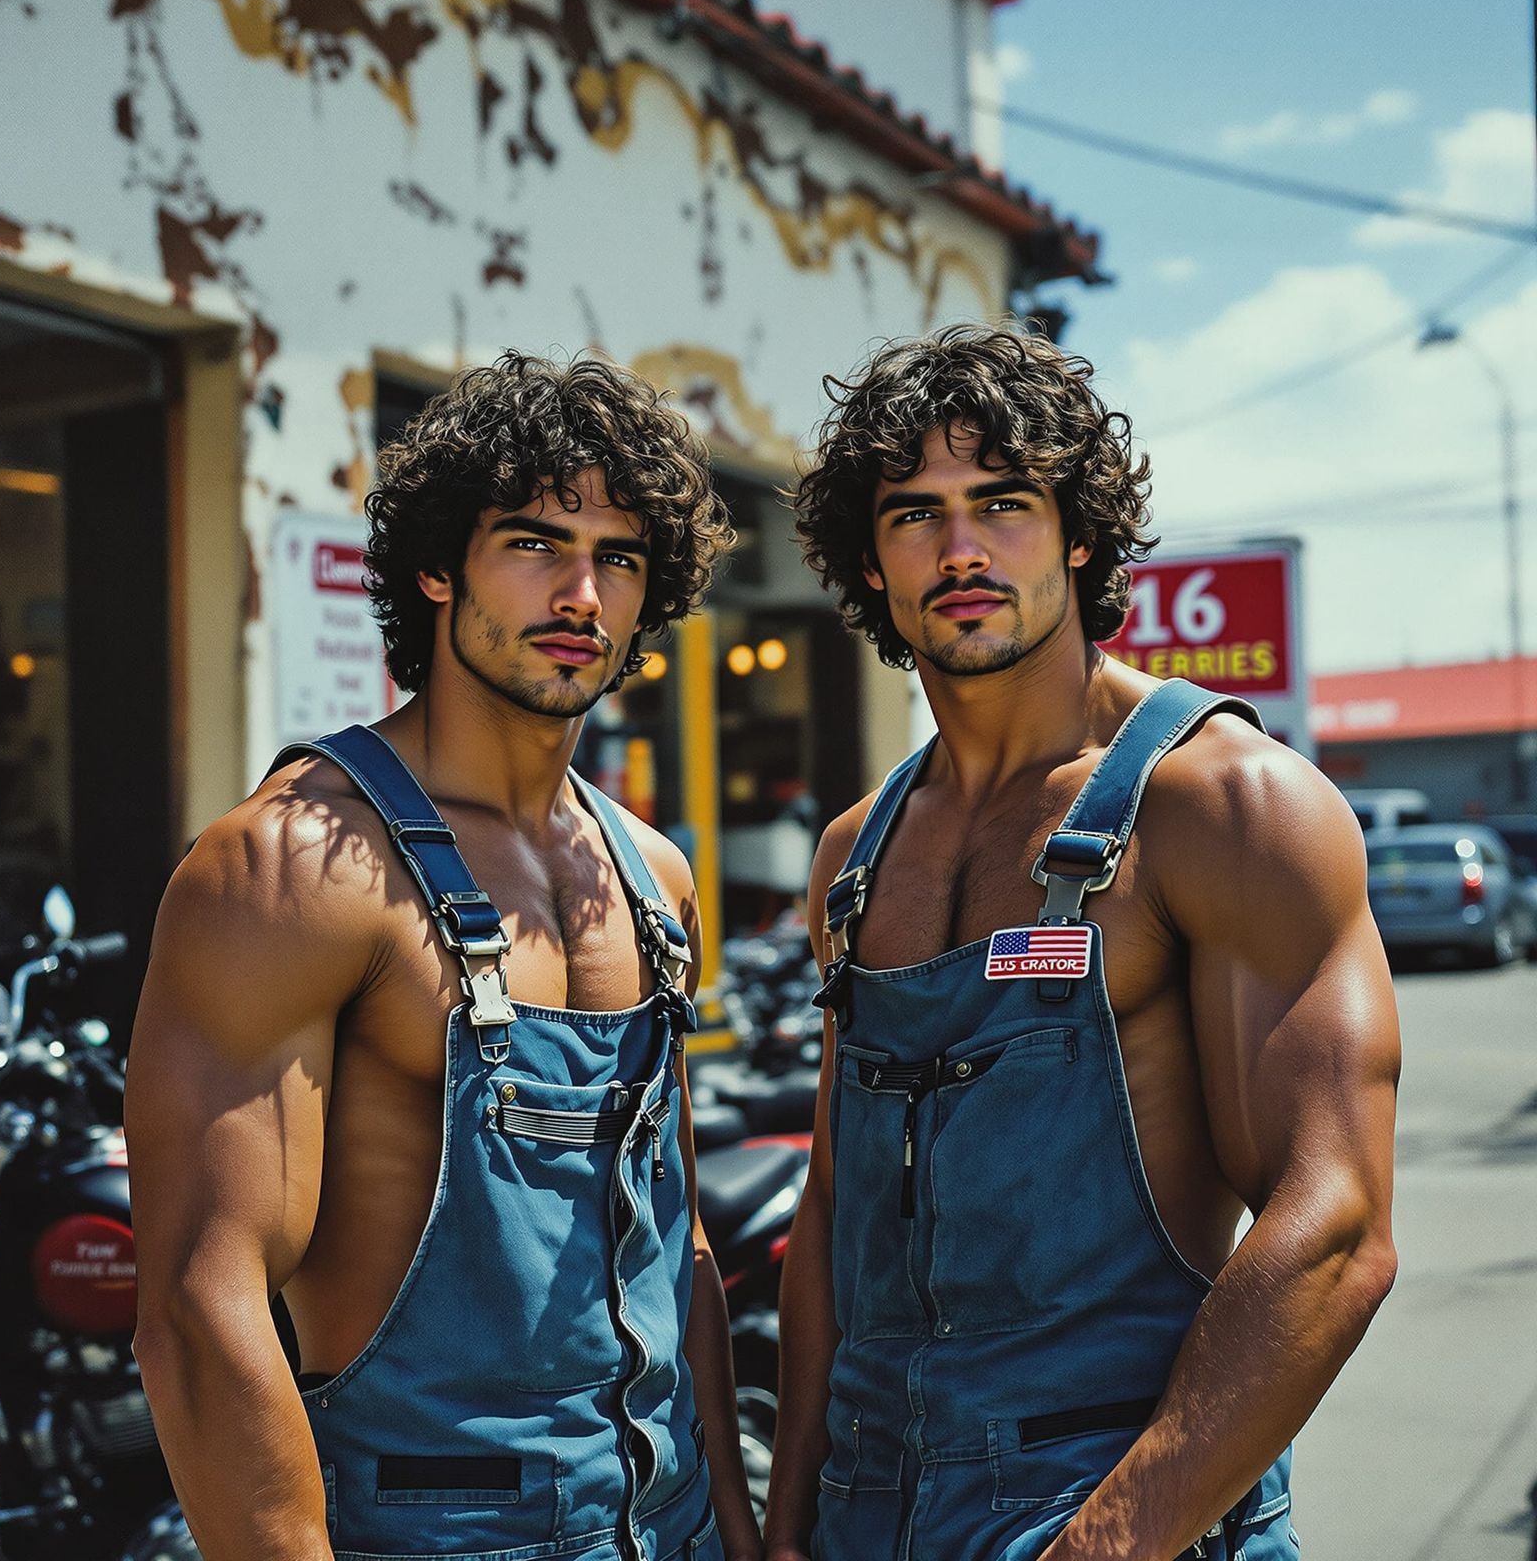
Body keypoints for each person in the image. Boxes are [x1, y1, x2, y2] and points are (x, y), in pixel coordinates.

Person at [763, 325, 1400, 1561]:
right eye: (913, 514)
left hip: (1115, 1500)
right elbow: (834, 1212)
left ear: (1077, 533)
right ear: (869, 561)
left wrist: (1105, 1542)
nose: (959, 549)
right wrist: (791, 1517)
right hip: (867, 1508)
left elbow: (1333, 1228)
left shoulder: (1223, 804)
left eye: (1000, 502)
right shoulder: (856, 853)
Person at [126, 353, 761, 1561]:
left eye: (619, 557)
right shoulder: (292, 864)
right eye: (533, 542)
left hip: (663, 1524)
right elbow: (199, 1315)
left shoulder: (651, 874)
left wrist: (731, 1520)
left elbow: (674, 1248)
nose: (580, 591)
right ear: (434, 567)